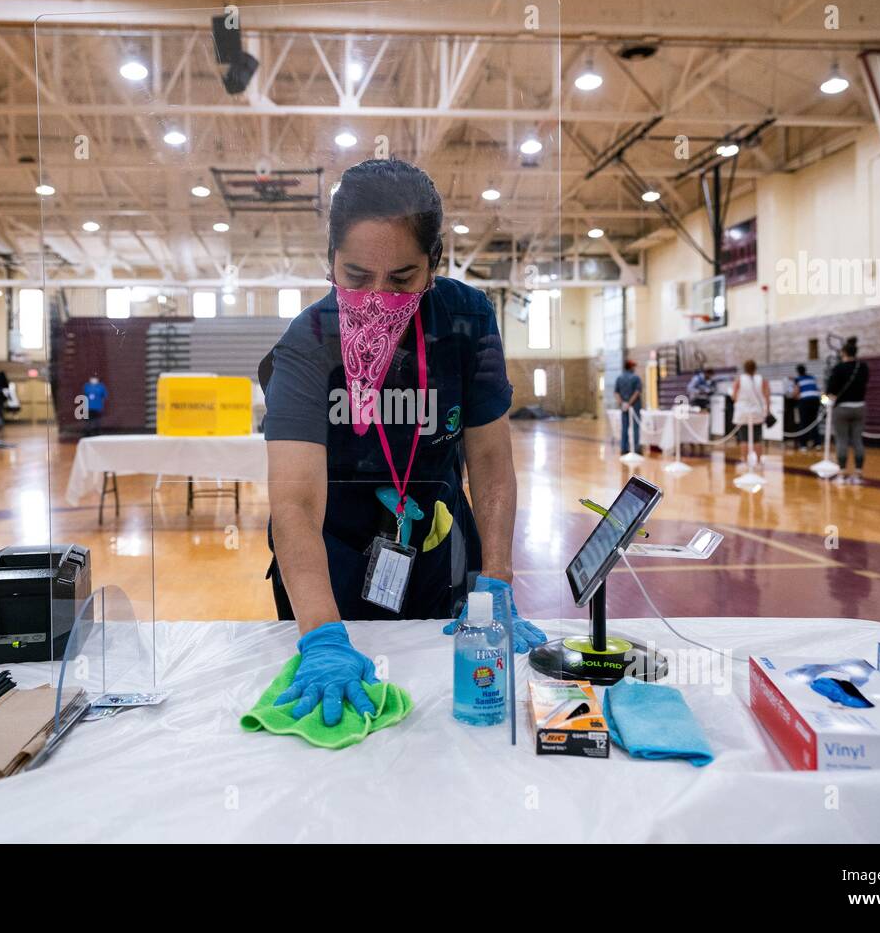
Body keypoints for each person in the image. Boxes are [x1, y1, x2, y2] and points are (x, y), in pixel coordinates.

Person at [260, 158, 546, 727]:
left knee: (446, 719)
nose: (376, 297)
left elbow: (489, 460)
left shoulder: (465, 321)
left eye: (402, 279)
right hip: (330, 560)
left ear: (434, 265)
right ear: (330, 262)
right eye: (357, 276)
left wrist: (497, 579)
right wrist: (321, 637)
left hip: (439, 548)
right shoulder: (307, 343)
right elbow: (293, 503)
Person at [825, 337, 869, 484]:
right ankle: (858, 473)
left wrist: (825, 401)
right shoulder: (863, 367)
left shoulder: (838, 368)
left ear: (843, 352)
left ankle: (842, 473)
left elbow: (830, 391)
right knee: (858, 440)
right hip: (860, 407)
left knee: (841, 440)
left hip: (842, 408)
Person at [731, 359, 769, 464]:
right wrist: (768, 410)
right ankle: (758, 460)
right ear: (755, 368)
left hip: (743, 412)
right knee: (757, 438)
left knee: (744, 438)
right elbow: (767, 396)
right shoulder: (762, 379)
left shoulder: (739, 380)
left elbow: (734, 396)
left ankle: (744, 459)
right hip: (757, 412)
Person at [614, 359, 642, 455]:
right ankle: (636, 448)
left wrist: (622, 403)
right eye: (633, 366)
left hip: (624, 407)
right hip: (634, 406)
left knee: (624, 427)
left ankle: (624, 448)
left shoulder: (619, 378)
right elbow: (637, 392)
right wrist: (630, 403)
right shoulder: (636, 378)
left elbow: (616, 392)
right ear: (630, 367)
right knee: (635, 427)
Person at [791, 364, 822, 450]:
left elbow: (795, 393)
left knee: (804, 423)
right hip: (815, 401)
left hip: (805, 402)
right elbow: (817, 390)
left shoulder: (798, 380)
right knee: (814, 423)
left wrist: (795, 396)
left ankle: (803, 445)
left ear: (798, 372)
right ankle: (817, 443)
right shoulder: (812, 378)